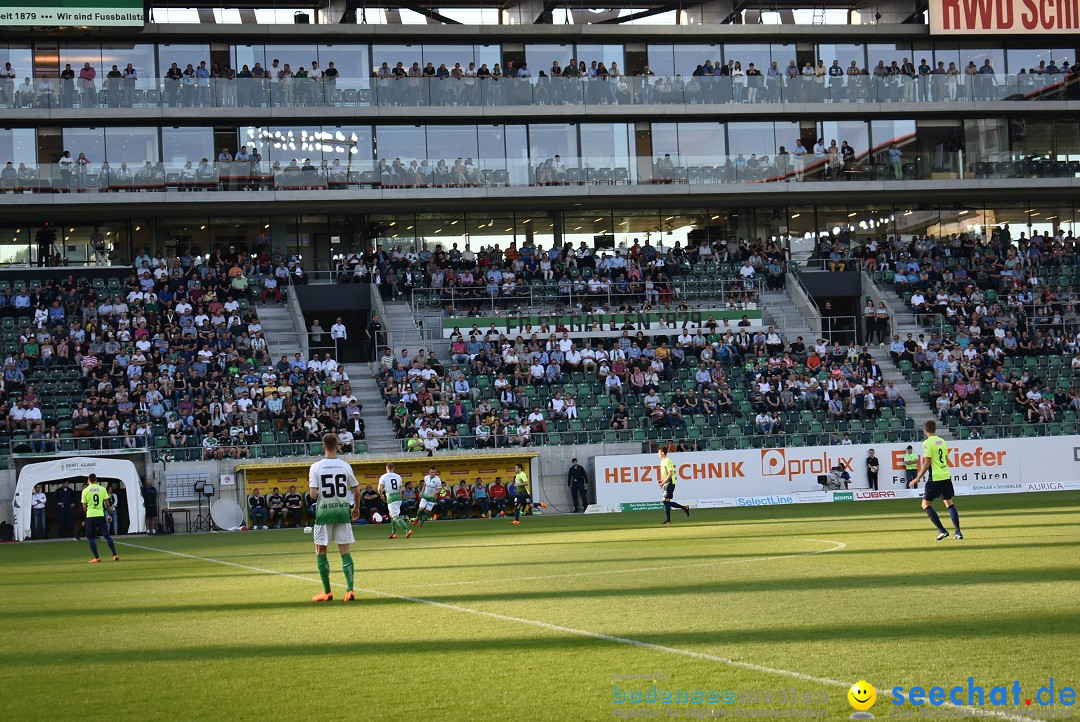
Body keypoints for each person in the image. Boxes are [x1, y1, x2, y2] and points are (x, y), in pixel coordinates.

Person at [307, 433, 361, 602]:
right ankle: (350, 590)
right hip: (342, 511)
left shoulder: (315, 467)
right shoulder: (345, 466)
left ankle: (327, 592)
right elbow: (357, 491)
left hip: (324, 513)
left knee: (321, 551)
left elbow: (313, 495)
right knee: (345, 551)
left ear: (323, 447)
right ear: (337, 445)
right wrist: (356, 508)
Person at [910, 419, 962, 541]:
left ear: (925, 430)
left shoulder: (927, 443)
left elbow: (927, 462)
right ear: (935, 429)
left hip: (935, 477)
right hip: (945, 475)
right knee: (949, 503)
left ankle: (942, 530)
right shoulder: (942, 441)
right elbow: (946, 458)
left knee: (925, 504)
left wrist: (918, 477)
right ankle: (958, 532)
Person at [82, 474, 119, 563]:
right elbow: (107, 504)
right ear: (96, 480)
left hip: (91, 515)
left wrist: (88, 513)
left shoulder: (85, 490)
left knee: (90, 537)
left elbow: (84, 506)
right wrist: (109, 515)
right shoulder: (102, 489)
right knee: (106, 535)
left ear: (88, 480)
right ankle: (114, 554)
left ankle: (97, 557)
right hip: (100, 514)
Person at [378, 462, 412, 539]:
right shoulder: (398, 476)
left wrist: (382, 495)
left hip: (391, 497)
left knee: (395, 516)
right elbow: (400, 489)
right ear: (393, 468)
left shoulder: (383, 477)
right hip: (398, 497)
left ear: (386, 468)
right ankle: (394, 533)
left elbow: (379, 489)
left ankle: (407, 530)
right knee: (391, 514)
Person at [658, 447, 690, 525]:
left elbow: (670, 473)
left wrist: (663, 483)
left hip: (670, 482)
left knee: (665, 501)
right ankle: (684, 508)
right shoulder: (662, 461)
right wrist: (662, 481)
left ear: (662, 453)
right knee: (666, 501)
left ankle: (668, 520)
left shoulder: (668, 461)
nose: (658, 454)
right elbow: (665, 474)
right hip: (667, 482)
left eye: (659, 452)